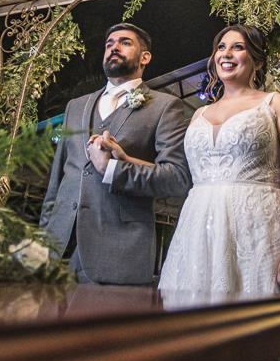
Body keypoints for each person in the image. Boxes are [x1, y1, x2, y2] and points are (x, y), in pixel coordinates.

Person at [97, 25, 280, 361]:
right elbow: (188, 177)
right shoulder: (200, 113)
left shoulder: (275, 104)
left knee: (267, 340)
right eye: (221, 46)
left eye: (238, 47)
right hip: (199, 234)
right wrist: (127, 160)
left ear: (254, 58)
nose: (227, 53)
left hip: (259, 233)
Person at [40, 23, 191, 285]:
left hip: (118, 249)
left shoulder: (165, 106)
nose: (114, 48)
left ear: (145, 57)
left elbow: (176, 178)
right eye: (109, 44)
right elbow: (58, 178)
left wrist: (113, 170)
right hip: (57, 247)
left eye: (125, 42)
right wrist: (44, 235)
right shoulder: (76, 106)